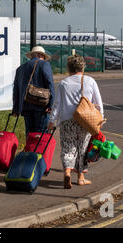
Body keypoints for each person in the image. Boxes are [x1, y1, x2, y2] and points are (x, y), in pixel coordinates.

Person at [47, 54, 104, 189]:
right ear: (83, 67)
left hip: (67, 120)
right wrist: (100, 119)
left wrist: (52, 120)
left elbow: (57, 104)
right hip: (85, 120)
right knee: (82, 149)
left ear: (68, 68)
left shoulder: (64, 83)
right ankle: (81, 178)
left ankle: (67, 172)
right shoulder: (90, 81)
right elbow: (98, 102)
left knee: (68, 148)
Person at [12, 46, 55, 138]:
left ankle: (29, 152)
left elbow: (16, 90)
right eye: (43, 57)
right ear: (40, 55)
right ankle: (39, 153)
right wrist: (50, 105)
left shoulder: (20, 69)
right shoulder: (44, 64)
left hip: (26, 107)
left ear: (31, 55)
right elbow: (50, 84)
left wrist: (16, 109)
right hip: (41, 106)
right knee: (41, 137)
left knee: (30, 136)